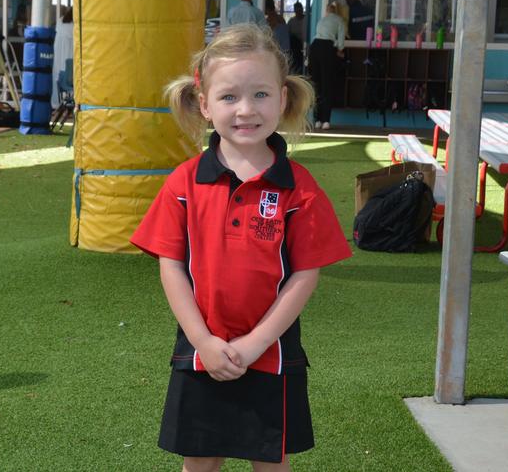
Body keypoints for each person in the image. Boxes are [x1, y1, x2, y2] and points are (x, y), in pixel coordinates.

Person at [130, 24, 351, 471]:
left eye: (261, 95)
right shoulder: (184, 183)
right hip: (200, 353)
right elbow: (170, 265)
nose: (246, 110)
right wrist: (202, 340)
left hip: (270, 353)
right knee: (200, 462)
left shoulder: (299, 189)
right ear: (204, 105)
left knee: (270, 462)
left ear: (283, 99)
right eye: (229, 97)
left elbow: (305, 275)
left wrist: (254, 344)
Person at [308, 2, 345, 130]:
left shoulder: (322, 20)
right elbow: (341, 40)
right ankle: (326, 121)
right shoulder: (340, 20)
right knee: (327, 84)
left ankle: (316, 120)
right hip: (327, 49)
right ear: (336, 11)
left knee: (316, 84)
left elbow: (317, 35)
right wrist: (340, 50)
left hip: (315, 47)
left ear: (327, 11)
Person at [51, 7, 73, 108]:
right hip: (70, 69)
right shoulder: (75, 28)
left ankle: (56, 103)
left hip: (58, 63)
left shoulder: (60, 23)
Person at [287, 1, 306, 74]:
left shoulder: (306, 19)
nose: (298, 12)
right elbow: (287, 34)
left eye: (300, 10)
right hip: (295, 47)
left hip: (304, 44)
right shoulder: (291, 21)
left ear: (302, 10)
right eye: (296, 10)